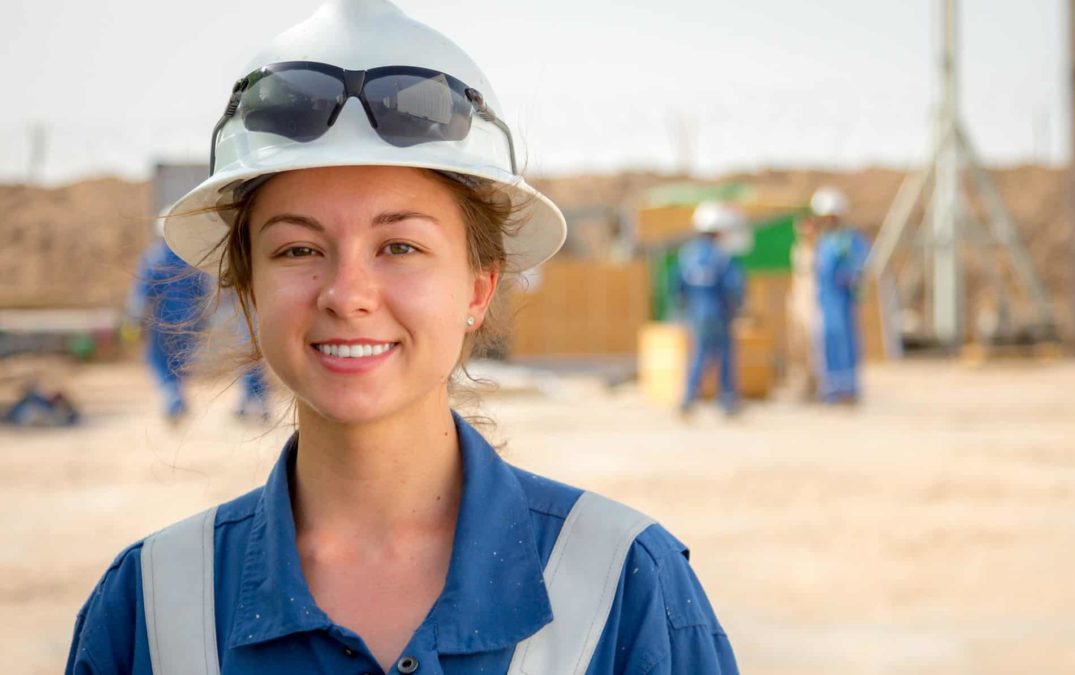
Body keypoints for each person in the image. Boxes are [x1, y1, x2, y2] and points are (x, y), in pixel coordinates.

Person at [66, 2, 738, 674]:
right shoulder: (147, 610)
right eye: (298, 249)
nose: (347, 293)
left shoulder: (625, 589)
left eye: (400, 245)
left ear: (477, 288)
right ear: (247, 289)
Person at [124, 214, 210, 423]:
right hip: (189, 322)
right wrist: (202, 321)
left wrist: (134, 320)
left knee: (160, 363)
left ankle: (173, 401)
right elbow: (203, 293)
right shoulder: (191, 259)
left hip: (161, 323)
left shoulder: (154, 258)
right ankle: (178, 399)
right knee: (180, 364)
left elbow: (142, 293)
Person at [672, 201, 746, 417]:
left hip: (697, 314)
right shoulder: (722, 257)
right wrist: (737, 308)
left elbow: (677, 286)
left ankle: (688, 398)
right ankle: (728, 401)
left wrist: (684, 308)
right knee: (724, 356)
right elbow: (733, 287)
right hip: (719, 314)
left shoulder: (687, 255)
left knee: (699, 356)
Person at [808, 187, 871, 405]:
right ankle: (831, 390)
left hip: (841, 300)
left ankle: (848, 389)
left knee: (845, 343)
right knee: (826, 344)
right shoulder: (823, 240)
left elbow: (862, 261)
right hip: (825, 300)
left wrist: (850, 276)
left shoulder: (849, 239)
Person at [785, 211, 819, 401]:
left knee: (814, 346)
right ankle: (803, 385)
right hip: (799, 300)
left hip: (814, 301)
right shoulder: (797, 248)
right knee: (798, 345)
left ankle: (816, 384)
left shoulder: (820, 249)